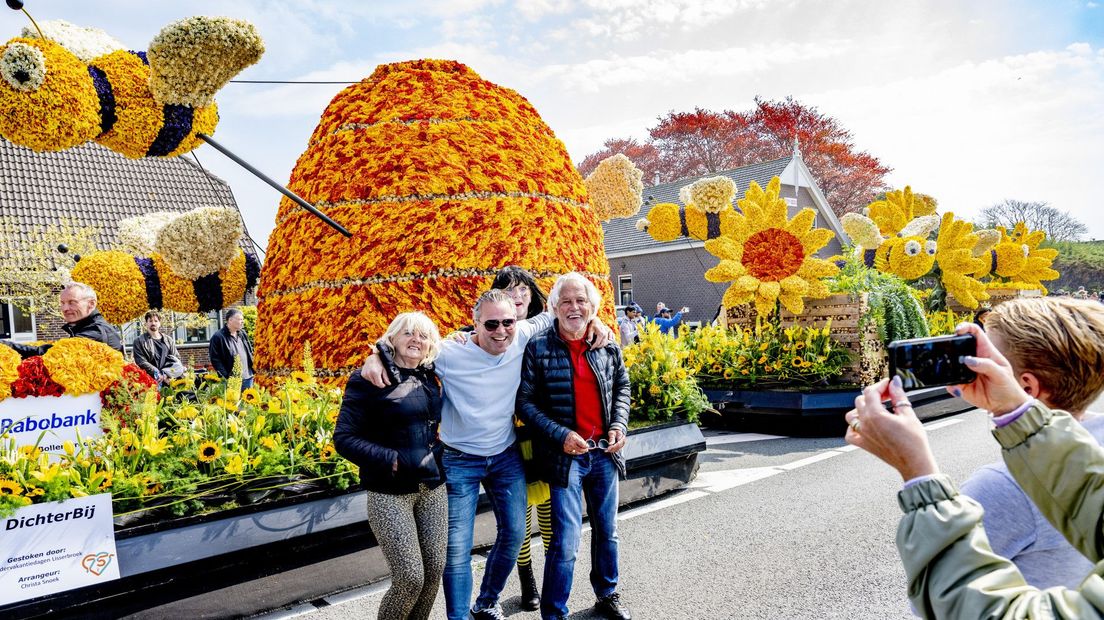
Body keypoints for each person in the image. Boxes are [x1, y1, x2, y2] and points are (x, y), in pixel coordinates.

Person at [361, 287, 612, 620]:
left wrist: (599, 322)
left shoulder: (521, 335)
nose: (501, 331)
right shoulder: (449, 353)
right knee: (457, 550)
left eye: (507, 322)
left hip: (505, 455)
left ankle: (486, 601)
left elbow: (566, 314)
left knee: (515, 534)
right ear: (474, 323)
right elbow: (408, 349)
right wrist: (376, 354)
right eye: (491, 324)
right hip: (460, 459)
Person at [844, 321, 1104, 618]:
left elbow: (948, 602)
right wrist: (1015, 411)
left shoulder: (1001, 486)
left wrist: (920, 477)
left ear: (1028, 384)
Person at [958, 297, 1104, 588]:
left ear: (1027, 386)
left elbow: (940, 594)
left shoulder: (1003, 487)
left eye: (991, 360)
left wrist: (916, 471)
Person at [517, 273, 632, 620]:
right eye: (566, 301)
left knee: (607, 531)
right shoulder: (538, 348)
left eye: (581, 301)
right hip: (565, 457)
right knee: (566, 541)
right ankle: (554, 611)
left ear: (592, 307)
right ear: (553, 307)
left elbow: (622, 387)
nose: (574, 307)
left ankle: (607, 594)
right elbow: (525, 404)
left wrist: (619, 424)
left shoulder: (607, 344)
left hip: (605, 455)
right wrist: (560, 435)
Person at [334, 312, 447, 620]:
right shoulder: (369, 378)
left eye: (423, 336)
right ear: (392, 338)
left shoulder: (430, 375)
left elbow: (482, 331)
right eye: (408, 333)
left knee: (434, 571)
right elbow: (344, 438)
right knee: (410, 578)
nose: (416, 340)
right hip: (390, 492)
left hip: (433, 487)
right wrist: (391, 459)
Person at [490, 266, 552, 612]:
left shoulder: (548, 328)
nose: (517, 295)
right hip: (509, 435)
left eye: (523, 289)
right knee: (519, 517)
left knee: (550, 510)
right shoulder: (488, 332)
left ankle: (551, 580)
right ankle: (527, 582)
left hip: (545, 431)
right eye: (509, 289)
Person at [2, 282, 124, 357]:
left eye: (72, 302)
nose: (65, 308)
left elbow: (52, 354)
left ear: (91, 304)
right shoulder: (86, 327)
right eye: (62, 303)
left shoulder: (96, 331)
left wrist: (5, 345)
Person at [132, 311, 184, 386]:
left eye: (156, 321)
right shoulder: (139, 341)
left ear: (159, 323)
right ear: (146, 323)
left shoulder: (168, 340)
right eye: (150, 321)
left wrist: (166, 374)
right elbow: (141, 361)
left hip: (169, 379)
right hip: (151, 380)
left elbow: (176, 358)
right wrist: (157, 373)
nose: (153, 323)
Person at [208, 307, 254, 388]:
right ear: (230, 320)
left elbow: (249, 351)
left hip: (248, 377)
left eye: (242, 319)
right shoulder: (218, 337)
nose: (242, 321)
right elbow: (215, 359)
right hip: (232, 380)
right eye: (240, 319)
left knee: (249, 400)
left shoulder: (242, 333)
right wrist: (226, 376)